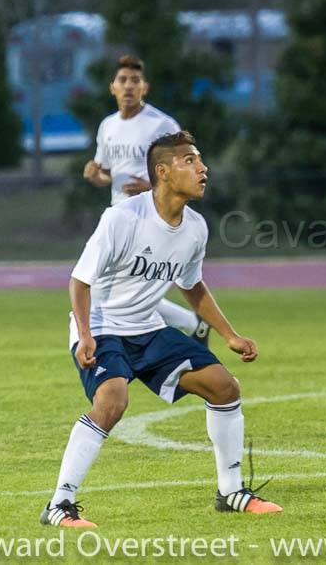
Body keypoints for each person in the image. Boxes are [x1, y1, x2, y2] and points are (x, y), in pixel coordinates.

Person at [40, 131, 281, 528]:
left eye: (201, 160)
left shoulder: (195, 228)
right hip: (102, 326)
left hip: (149, 328)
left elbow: (192, 286)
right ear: (164, 172)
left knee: (225, 387)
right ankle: (58, 505)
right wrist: (85, 334)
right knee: (113, 402)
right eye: (190, 160)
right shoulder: (122, 218)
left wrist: (229, 335)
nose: (203, 168)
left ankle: (231, 491)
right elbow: (79, 281)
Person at [83, 55, 210, 345]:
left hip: (151, 216)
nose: (129, 86)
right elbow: (108, 176)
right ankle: (193, 325)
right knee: (122, 290)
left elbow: (186, 165)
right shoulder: (108, 127)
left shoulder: (161, 124)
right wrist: (95, 175)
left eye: (135, 81)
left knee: (116, 289)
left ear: (145, 87)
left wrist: (152, 185)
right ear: (112, 87)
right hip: (119, 216)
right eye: (123, 80)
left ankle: (184, 328)